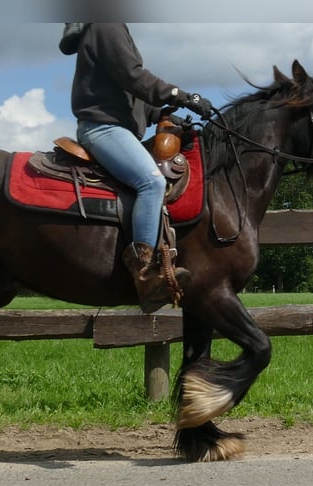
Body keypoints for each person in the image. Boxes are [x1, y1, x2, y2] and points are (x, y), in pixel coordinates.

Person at [59, 22, 213, 313]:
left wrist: (166, 114)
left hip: (117, 127)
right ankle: (144, 274)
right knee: (151, 182)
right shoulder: (106, 24)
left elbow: (131, 97)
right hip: (103, 129)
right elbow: (134, 77)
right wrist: (183, 96)